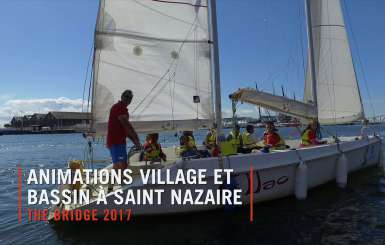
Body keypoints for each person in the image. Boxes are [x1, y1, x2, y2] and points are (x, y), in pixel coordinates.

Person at [106, 90, 141, 191]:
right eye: (126, 96)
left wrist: (134, 139)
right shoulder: (119, 108)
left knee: (118, 165)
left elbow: (125, 129)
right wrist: (136, 141)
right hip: (116, 142)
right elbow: (126, 125)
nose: (128, 99)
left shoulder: (121, 108)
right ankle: (123, 188)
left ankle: (111, 188)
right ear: (122, 96)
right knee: (121, 165)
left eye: (130, 98)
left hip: (116, 142)